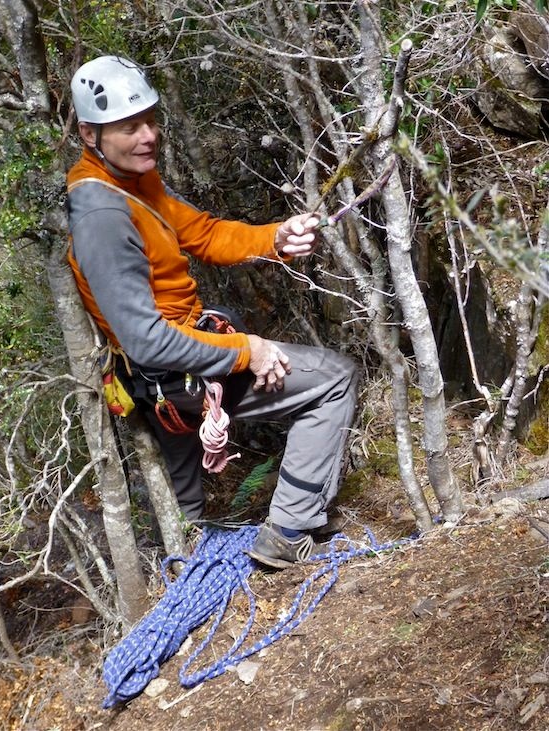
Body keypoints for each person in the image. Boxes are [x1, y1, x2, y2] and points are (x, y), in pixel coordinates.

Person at [67, 55, 358, 568]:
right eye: (129, 127)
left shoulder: (131, 181)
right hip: (170, 369)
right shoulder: (104, 215)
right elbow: (147, 339)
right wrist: (247, 350)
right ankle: (289, 530)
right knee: (334, 379)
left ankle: (188, 557)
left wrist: (275, 238)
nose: (148, 136)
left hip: (161, 371)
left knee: (186, 504)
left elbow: (202, 232)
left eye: (150, 120)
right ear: (90, 135)